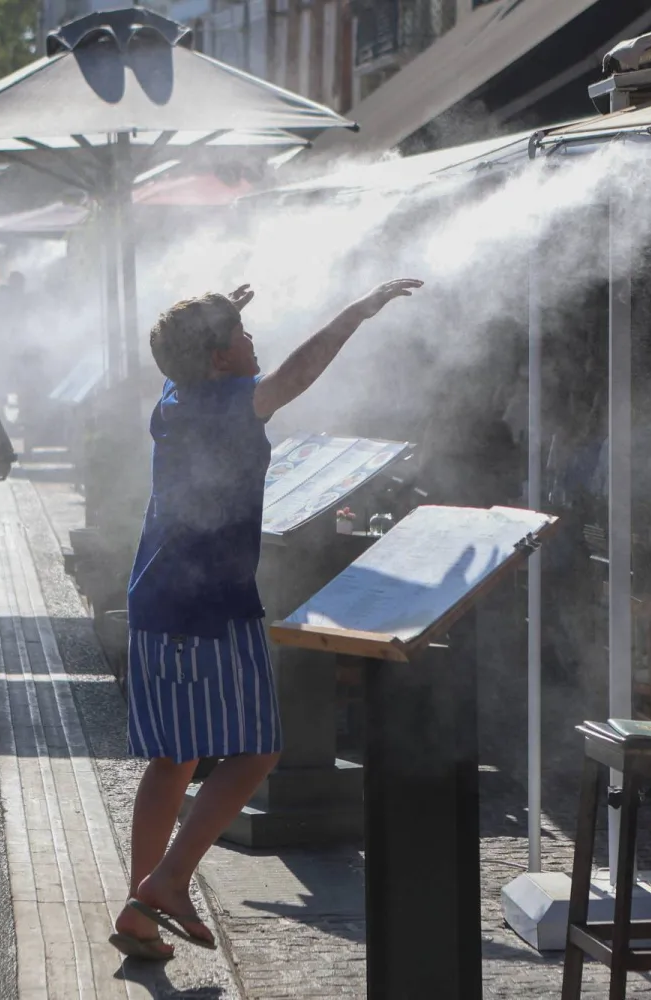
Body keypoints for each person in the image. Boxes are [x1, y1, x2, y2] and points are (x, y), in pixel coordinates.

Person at [111, 277, 423, 961]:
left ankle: (140, 908)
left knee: (173, 757)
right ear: (220, 359)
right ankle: (164, 883)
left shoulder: (174, 398)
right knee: (256, 751)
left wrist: (223, 314)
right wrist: (357, 311)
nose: (255, 342)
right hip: (211, 602)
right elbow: (298, 373)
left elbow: (204, 354)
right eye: (243, 336)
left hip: (156, 594)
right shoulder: (229, 401)